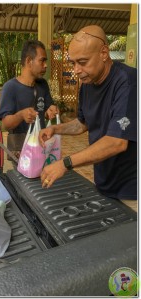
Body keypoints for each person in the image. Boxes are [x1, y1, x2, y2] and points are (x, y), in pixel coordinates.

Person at [39, 25, 137, 210]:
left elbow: (117, 142)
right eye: (73, 63)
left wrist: (66, 163)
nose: (76, 70)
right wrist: (55, 129)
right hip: (104, 182)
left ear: (104, 53)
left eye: (82, 62)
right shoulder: (87, 84)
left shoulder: (128, 83)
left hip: (132, 192)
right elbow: (83, 123)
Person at [0, 40, 58, 161]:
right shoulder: (10, 87)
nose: (45, 65)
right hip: (20, 152)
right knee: (24, 180)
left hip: (42, 146)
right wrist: (21, 115)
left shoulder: (43, 84)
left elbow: (46, 110)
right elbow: (5, 124)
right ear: (29, 61)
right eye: (42, 60)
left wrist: (50, 111)